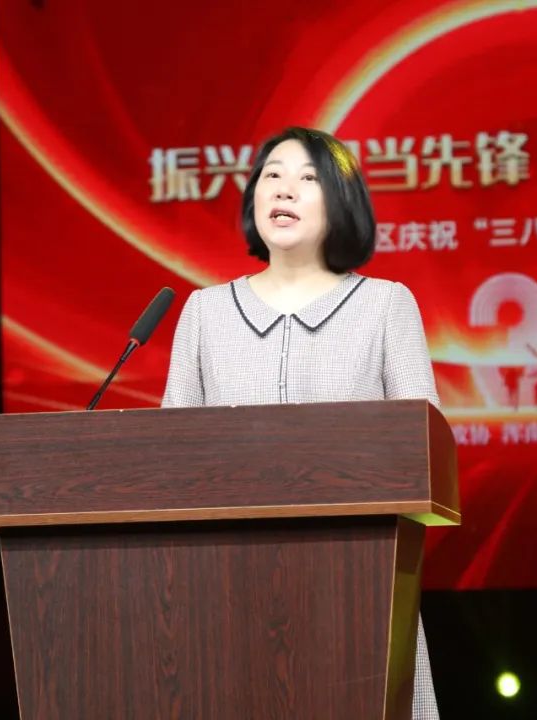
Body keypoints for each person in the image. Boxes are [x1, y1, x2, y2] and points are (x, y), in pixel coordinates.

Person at [161, 127, 441, 718]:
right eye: (272, 175)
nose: (284, 189)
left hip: (357, 588)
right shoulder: (205, 313)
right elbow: (168, 462)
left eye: (308, 178)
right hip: (225, 594)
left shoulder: (386, 306)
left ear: (342, 201)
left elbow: (427, 454)